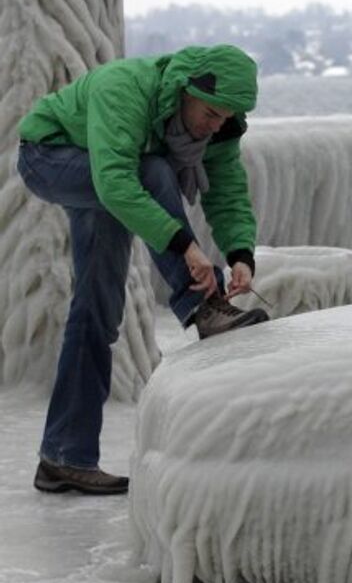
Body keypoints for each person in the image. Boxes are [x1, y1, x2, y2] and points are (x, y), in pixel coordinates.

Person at [17, 44, 269, 496]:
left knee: (97, 309)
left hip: (107, 178)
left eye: (225, 118)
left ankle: (63, 457)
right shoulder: (126, 87)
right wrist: (185, 246)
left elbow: (227, 191)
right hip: (49, 157)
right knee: (153, 170)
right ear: (184, 90)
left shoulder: (214, 128)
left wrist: (240, 255)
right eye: (210, 113)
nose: (215, 125)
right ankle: (201, 304)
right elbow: (116, 181)